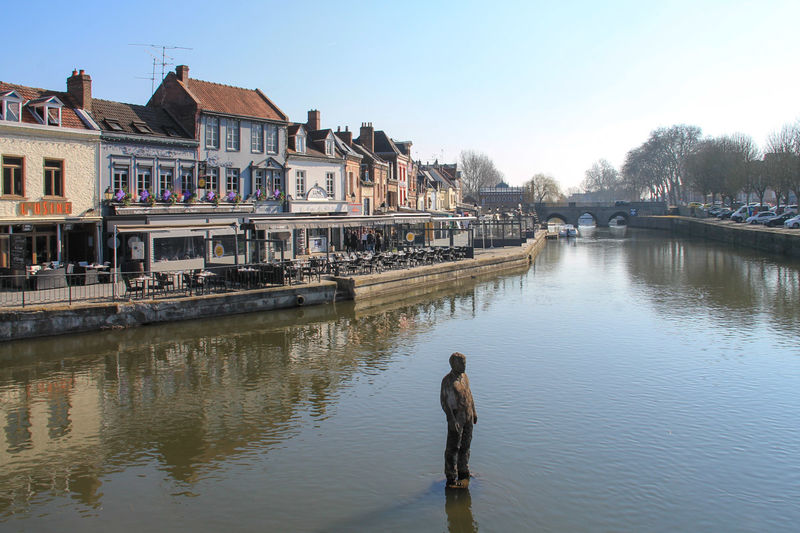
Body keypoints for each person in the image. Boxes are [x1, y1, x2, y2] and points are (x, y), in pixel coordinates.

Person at [440, 352, 477, 488]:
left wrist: (474, 411)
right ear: (453, 364)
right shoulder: (448, 381)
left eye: (465, 363)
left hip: (467, 416)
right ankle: (451, 476)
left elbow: (469, 394)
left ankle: (464, 470)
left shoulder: (465, 377)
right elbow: (444, 401)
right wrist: (450, 418)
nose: (464, 366)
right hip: (456, 418)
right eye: (462, 363)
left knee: (466, 445)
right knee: (453, 447)